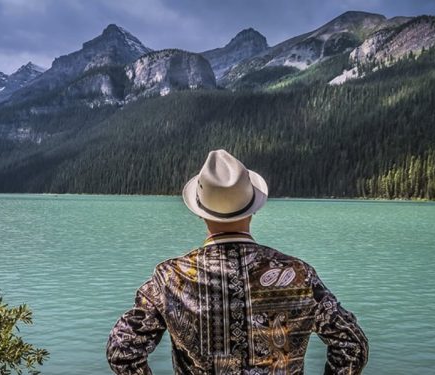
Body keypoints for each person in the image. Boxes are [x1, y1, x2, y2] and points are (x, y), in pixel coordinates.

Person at [107, 149, 368, 374]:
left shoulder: (171, 278)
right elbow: (352, 344)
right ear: (253, 209)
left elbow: (122, 348)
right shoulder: (298, 275)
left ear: (200, 214)